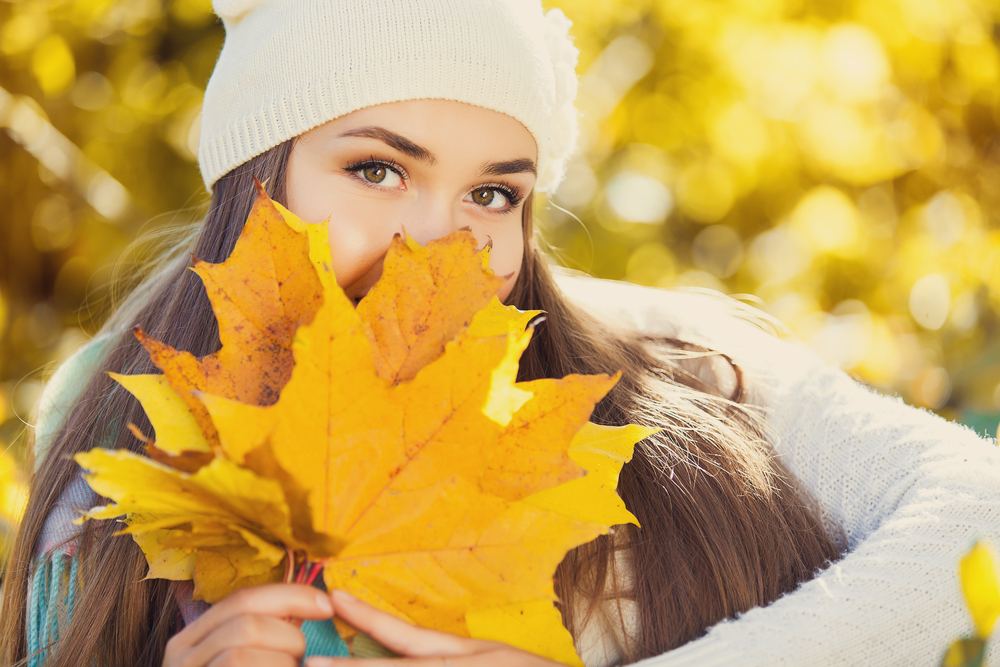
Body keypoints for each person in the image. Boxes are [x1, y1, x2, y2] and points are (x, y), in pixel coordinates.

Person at [2, 1, 998, 666]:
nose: (440, 239)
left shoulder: (673, 371)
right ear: (256, 182)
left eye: (492, 193)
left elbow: (982, 517)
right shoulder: (112, 427)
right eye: (378, 169)